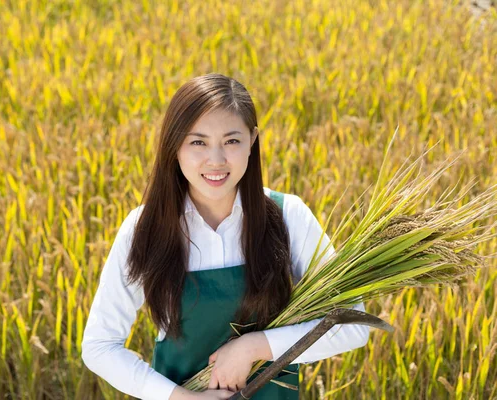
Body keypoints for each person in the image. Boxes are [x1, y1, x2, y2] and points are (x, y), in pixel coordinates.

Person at [81, 73, 369, 400]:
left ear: (253, 142)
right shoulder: (145, 229)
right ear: (174, 146)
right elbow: (99, 346)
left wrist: (252, 348)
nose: (216, 160)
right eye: (198, 142)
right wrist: (182, 398)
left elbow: (353, 323)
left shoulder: (289, 216)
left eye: (231, 141)